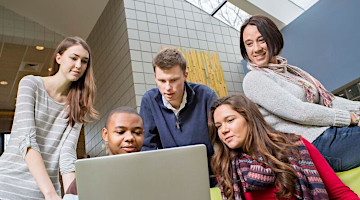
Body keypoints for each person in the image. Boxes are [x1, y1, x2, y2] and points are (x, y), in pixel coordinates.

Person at [240, 15, 360, 172]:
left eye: (261, 40)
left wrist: (358, 108)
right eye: (249, 44)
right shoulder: (254, 79)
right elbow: (299, 111)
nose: (256, 49)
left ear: (273, 39)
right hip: (313, 147)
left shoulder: (293, 72)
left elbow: (328, 100)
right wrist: (351, 117)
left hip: (328, 133)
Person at [0, 36, 97, 200]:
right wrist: (50, 194)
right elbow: (27, 141)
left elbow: (67, 155)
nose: (78, 65)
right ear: (59, 58)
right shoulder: (30, 84)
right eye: (73, 58)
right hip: (9, 186)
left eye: (84, 61)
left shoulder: (79, 106)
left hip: (45, 194)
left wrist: (71, 196)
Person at [208, 94, 359, 200]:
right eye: (218, 126)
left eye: (230, 120)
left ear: (249, 118)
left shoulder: (295, 147)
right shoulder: (227, 168)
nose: (224, 130)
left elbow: (339, 193)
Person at [140, 48, 218, 185]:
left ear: (185, 75)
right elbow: (147, 147)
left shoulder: (206, 96)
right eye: (162, 81)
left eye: (173, 80)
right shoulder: (149, 101)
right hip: (171, 181)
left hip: (211, 178)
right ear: (155, 78)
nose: (168, 88)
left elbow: (220, 141)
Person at [64, 106, 144, 199]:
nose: (129, 138)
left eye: (137, 132)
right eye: (120, 132)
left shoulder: (155, 174)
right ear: (105, 134)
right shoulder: (85, 179)